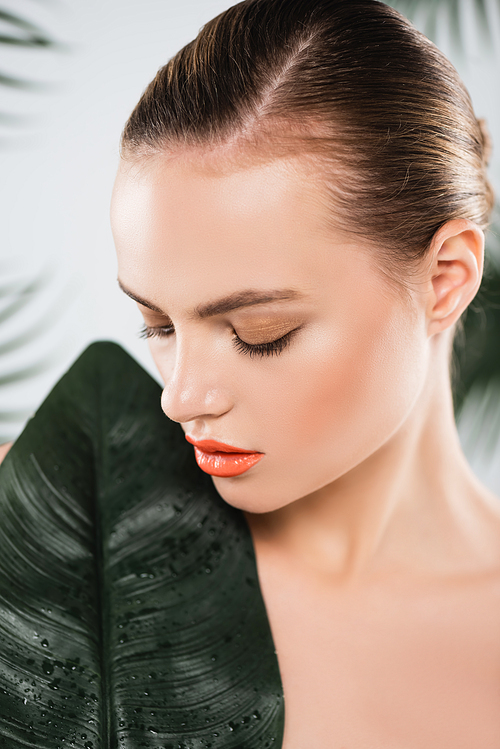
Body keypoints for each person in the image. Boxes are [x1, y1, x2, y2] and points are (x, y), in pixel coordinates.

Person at [2, 0, 499, 746]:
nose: (180, 396)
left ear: (446, 278)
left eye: (258, 333)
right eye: (158, 325)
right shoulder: (41, 525)